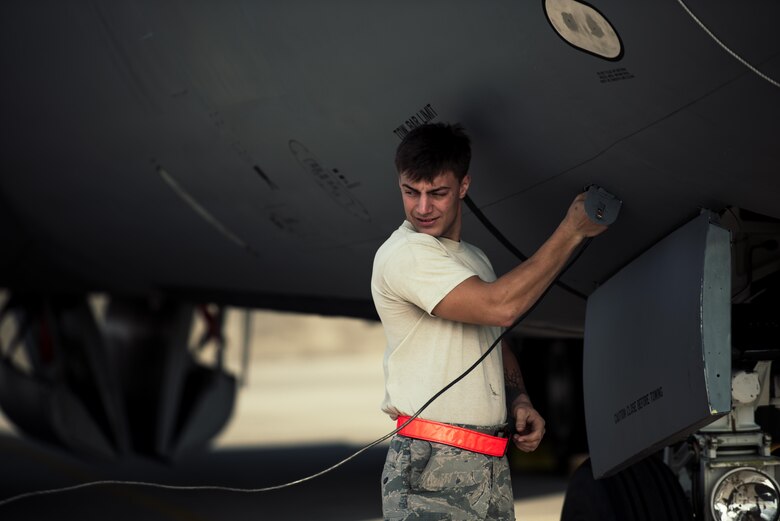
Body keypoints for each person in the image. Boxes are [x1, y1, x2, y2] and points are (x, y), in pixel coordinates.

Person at [370, 122, 608, 520]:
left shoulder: (472, 260)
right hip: (432, 464)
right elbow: (501, 307)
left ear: (464, 186)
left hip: (487, 462)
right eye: (411, 192)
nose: (423, 208)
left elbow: (493, 339)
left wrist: (519, 398)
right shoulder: (406, 255)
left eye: (437, 193)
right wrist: (572, 231)